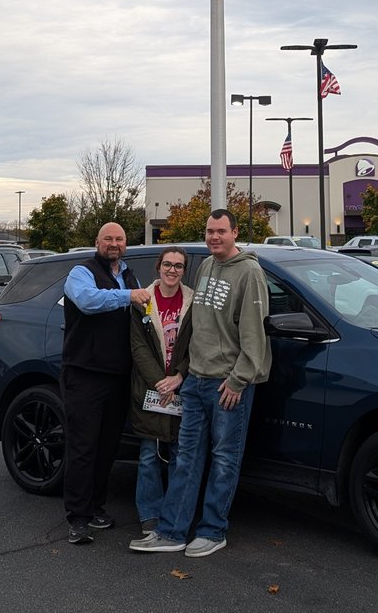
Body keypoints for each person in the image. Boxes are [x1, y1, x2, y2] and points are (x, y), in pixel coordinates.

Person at [129, 208, 271, 558]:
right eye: (209, 231)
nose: (214, 237)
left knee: (224, 459)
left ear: (235, 233)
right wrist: (184, 374)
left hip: (227, 384)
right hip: (195, 381)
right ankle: (172, 531)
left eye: (221, 231)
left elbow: (255, 334)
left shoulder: (250, 272)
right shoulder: (206, 266)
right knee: (187, 459)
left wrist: (239, 380)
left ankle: (212, 530)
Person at [61, 222, 151, 545]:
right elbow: (88, 301)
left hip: (118, 376)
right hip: (84, 374)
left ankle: (96, 507)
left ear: (126, 244)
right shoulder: (80, 273)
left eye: (120, 239)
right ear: (97, 241)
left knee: (107, 447)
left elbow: (144, 314)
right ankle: (78, 518)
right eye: (108, 239)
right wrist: (129, 296)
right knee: (82, 447)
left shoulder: (129, 275)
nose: (114, 244)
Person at [130, 247, 193, 534]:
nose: (172, 270)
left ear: (184, 270)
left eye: (178, 266)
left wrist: (179, 375)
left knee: (181, 455)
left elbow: (198, 343)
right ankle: (149, 515)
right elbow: (138, 347)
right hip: (150, 388)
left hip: (182, 388)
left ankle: (174, 515)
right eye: (167, 264)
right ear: (158, 267)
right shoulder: (143, 300)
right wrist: (160, 381)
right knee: (148, 455)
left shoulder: (193, 302)